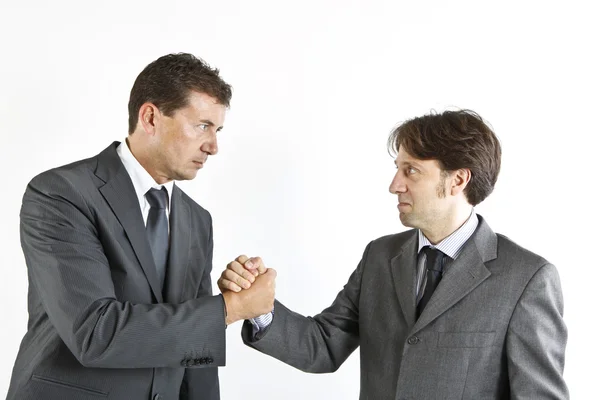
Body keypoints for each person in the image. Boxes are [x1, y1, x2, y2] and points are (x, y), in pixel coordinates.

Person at [219, 110, 569, 399]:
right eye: (397, 169)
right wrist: (259, 308)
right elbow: (323, 346)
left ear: (458, 179)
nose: (394, 185)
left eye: (411, 170)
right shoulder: (380, 256)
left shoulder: (526, 278)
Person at [7, 53, 275, 400]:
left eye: (218, 130)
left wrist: (230, 301)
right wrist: (231, 308)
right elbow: (95, 333)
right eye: (202, 125)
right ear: (150, 117)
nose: (213, 146)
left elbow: (195, 355)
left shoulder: (196, 220)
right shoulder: (61, 194)